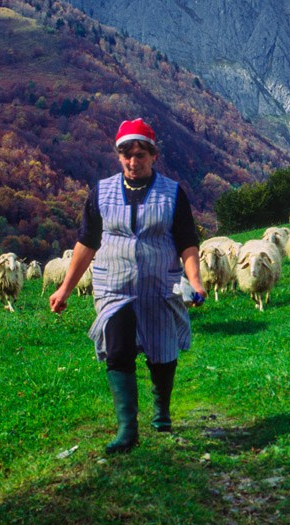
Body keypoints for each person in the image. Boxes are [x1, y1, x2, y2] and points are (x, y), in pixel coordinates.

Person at [49, 118, 207, 454]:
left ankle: (161, 408)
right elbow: (86, 243)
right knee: (117, 348)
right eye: (126, 154)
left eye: (140, 154)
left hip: (159, 282)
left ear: (153, 156)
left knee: (162, 352)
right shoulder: (102, 192)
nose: (133, 161)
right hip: (113, 284)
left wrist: (195, 281)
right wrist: (65, 288)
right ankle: (127, 428)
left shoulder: (172, 193)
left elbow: (187, 242)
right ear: (118, 155)